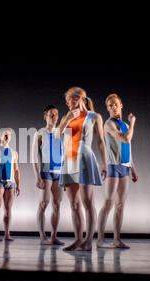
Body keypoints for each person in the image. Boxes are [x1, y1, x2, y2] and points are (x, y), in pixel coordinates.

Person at [56, 87, 108, 251]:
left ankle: (88, 241)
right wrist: (66, 120)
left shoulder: (94, 116)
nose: (67, 103)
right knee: (74, 204)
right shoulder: (67, 116)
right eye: (66, 101)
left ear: (79, 98)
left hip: (84, 158)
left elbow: (100, 141)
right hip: (69, 159)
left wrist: (105, 163)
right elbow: (56, 135)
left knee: (87, 202)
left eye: (70, 99)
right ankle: (78, 239)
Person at [97, 93, 138, 249]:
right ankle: (100, 240)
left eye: (115, 104)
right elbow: (126, 139)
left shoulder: (124, 125)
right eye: (110, 105)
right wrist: (133, 123)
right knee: (108, 203)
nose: (113, 107)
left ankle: (117, 239)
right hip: (113, 167)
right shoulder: (109, 125)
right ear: (108, 109)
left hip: (124, 168)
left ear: (121, 105)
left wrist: (133, 168)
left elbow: (128, 147)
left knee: (120, 205)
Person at [32, 105, 64, 245]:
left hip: (59, 172)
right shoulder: (40, 133)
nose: (54, 117)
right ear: (45, 117)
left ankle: (54, 236)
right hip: (45, 172)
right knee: (44, 203)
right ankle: (42, 236)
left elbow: (65, 155)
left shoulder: (61, 132)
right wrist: (37, 176)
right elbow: (34, 157)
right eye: (51, 114)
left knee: (57, 205)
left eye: (56, 114)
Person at [0, 128, 21, 241]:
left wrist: (18, 185)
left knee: (8, 209)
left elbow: (16, 170)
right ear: (0, 136)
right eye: (5, 135)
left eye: (9, 135)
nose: (7, 136)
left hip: (10, 183)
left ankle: (7, 234)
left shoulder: (14, 152)